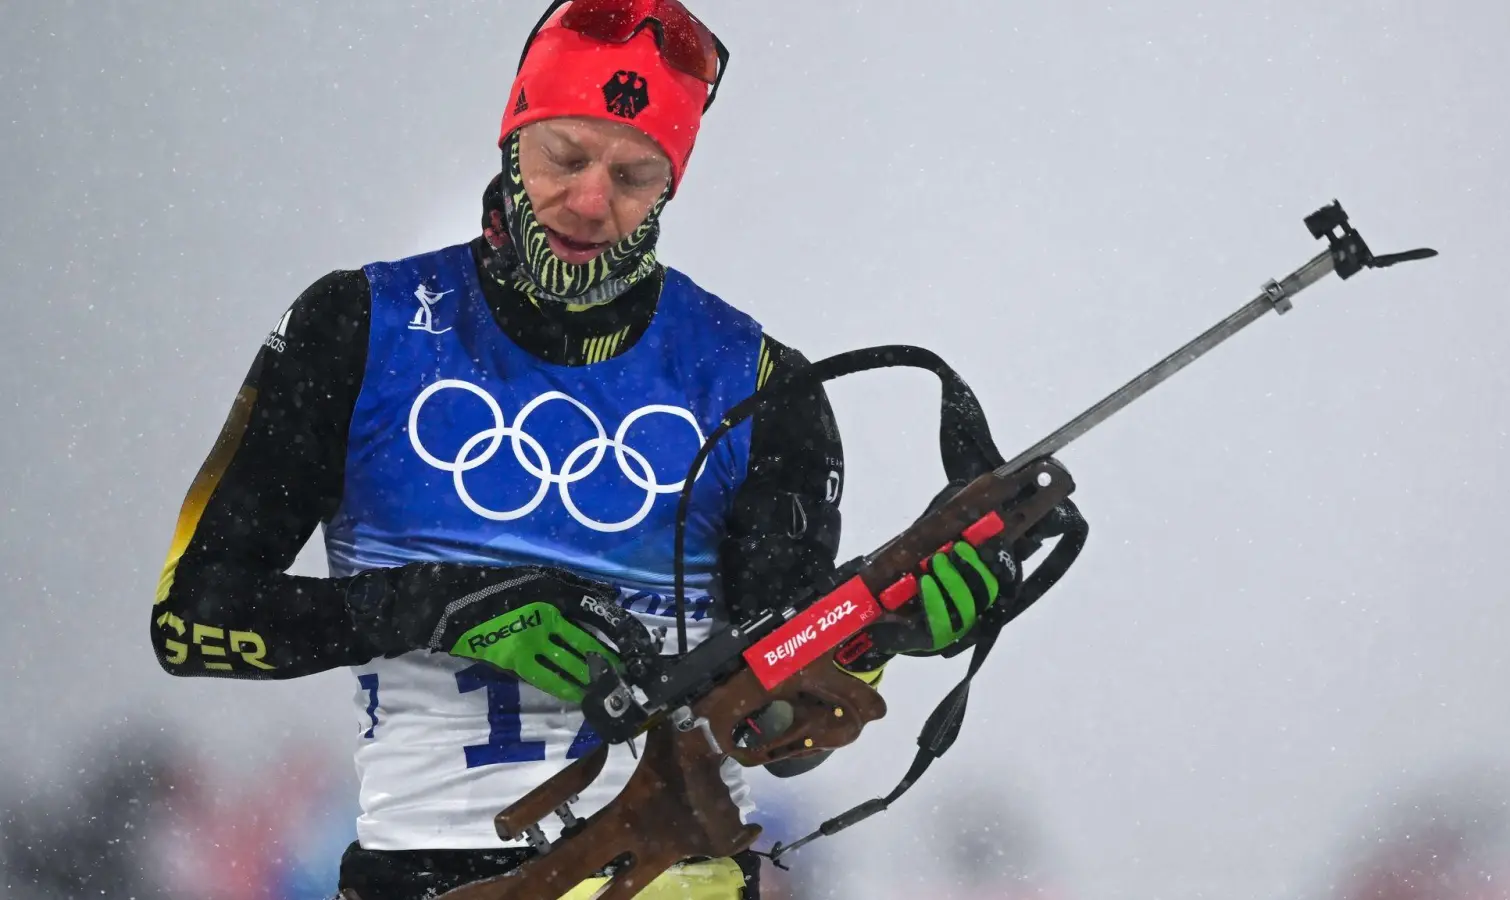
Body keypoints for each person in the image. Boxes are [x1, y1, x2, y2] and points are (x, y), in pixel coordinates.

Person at [151, 2, 1057, 898]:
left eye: (634, 176)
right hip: (424, 873)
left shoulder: (761, 384)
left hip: (675, 874)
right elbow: (194, 622)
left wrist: (881, 633)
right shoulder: (356, 327)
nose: (591, 202)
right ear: (512, 138)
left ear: (671, 185)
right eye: (565, 157)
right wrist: (443, 606)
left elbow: (772, 725)